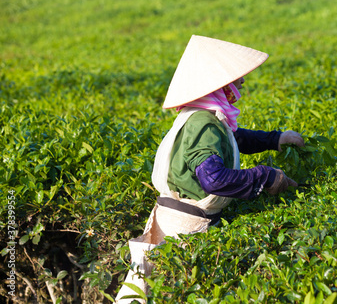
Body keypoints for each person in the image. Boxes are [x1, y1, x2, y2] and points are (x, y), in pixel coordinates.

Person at [115, 35, 304, 303]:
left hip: (180, 219)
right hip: (183, 230)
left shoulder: (203, 117)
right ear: (219, 83)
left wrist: (275, 139)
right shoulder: (203, 123)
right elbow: (213, 180)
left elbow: (230, 141)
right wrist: (266, 176)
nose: (242, 82)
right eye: (236, 76)